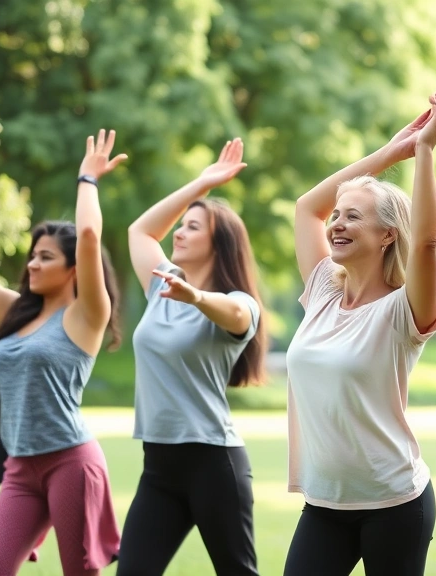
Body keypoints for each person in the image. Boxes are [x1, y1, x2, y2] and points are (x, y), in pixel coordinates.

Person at [282, 87, 436, 576]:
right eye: (338, 215)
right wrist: (388, 153)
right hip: (325, 504)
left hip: (395, 504)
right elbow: (305, 207)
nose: (336, 222)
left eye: (353, 216)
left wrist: (423, 154)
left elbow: (428, 242)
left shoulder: (403, 311)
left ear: (388, 235)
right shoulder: (322, 291)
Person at [0, 129, 126, 576]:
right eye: (31, 257)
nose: (32, 265)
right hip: (21, 465)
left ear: (73, 268)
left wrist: (88, 179)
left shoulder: (86, 315)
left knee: (79, 571)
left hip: (70, 462)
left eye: (44, 257)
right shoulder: (17, 312)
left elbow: (91, 238)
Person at [116, 137, 267, 576]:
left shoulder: (235, 302)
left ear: (219, 244)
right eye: (181, 225)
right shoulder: (161, 287)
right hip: (158, 465)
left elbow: (237, 313)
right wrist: (200, 184)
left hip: (212, 464)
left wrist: (196, 296)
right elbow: (140, 231)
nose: (178, 232)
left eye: (193, 227)